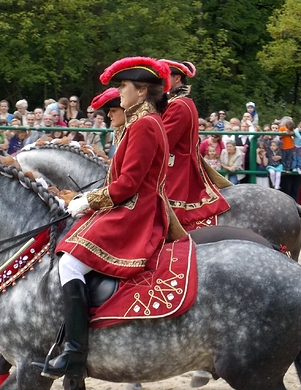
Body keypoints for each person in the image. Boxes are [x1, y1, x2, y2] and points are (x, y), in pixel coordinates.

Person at [35, 56, 177, 381]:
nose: (118, 92)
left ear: (141, 91)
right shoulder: (142, 122)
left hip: (135, 213)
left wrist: (88, 201)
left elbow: (127, 184)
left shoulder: (143, 125)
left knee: (70, 262)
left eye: (122, 86)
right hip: (131, 206)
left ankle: (74, 352)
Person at [159, 59, 231, 230]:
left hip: (176, 168)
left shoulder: (177, 105)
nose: (160, 82)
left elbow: (163, 142)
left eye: (164, 77)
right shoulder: (182, 102)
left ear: (177, 79)